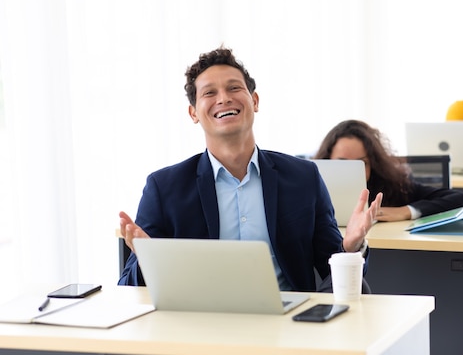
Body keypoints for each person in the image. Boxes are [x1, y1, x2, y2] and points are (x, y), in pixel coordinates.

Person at [118, 47, 382, 291]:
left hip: (289, 324)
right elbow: (128, 289)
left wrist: (351, 248)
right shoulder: (164, 188)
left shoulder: (303, 178)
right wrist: (146, 259)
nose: (224, 98)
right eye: (209, 93)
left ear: (254, 101)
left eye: (234, 88)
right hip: (201, 324)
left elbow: (332, 271)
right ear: (193, 113)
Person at [313, 120, 463, 222]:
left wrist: (405, 211)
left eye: (362, 164)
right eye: (343, 164)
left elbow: (462, 200)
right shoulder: (309, 191)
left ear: (374, 165)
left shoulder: (392, 187)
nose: (352, 172)